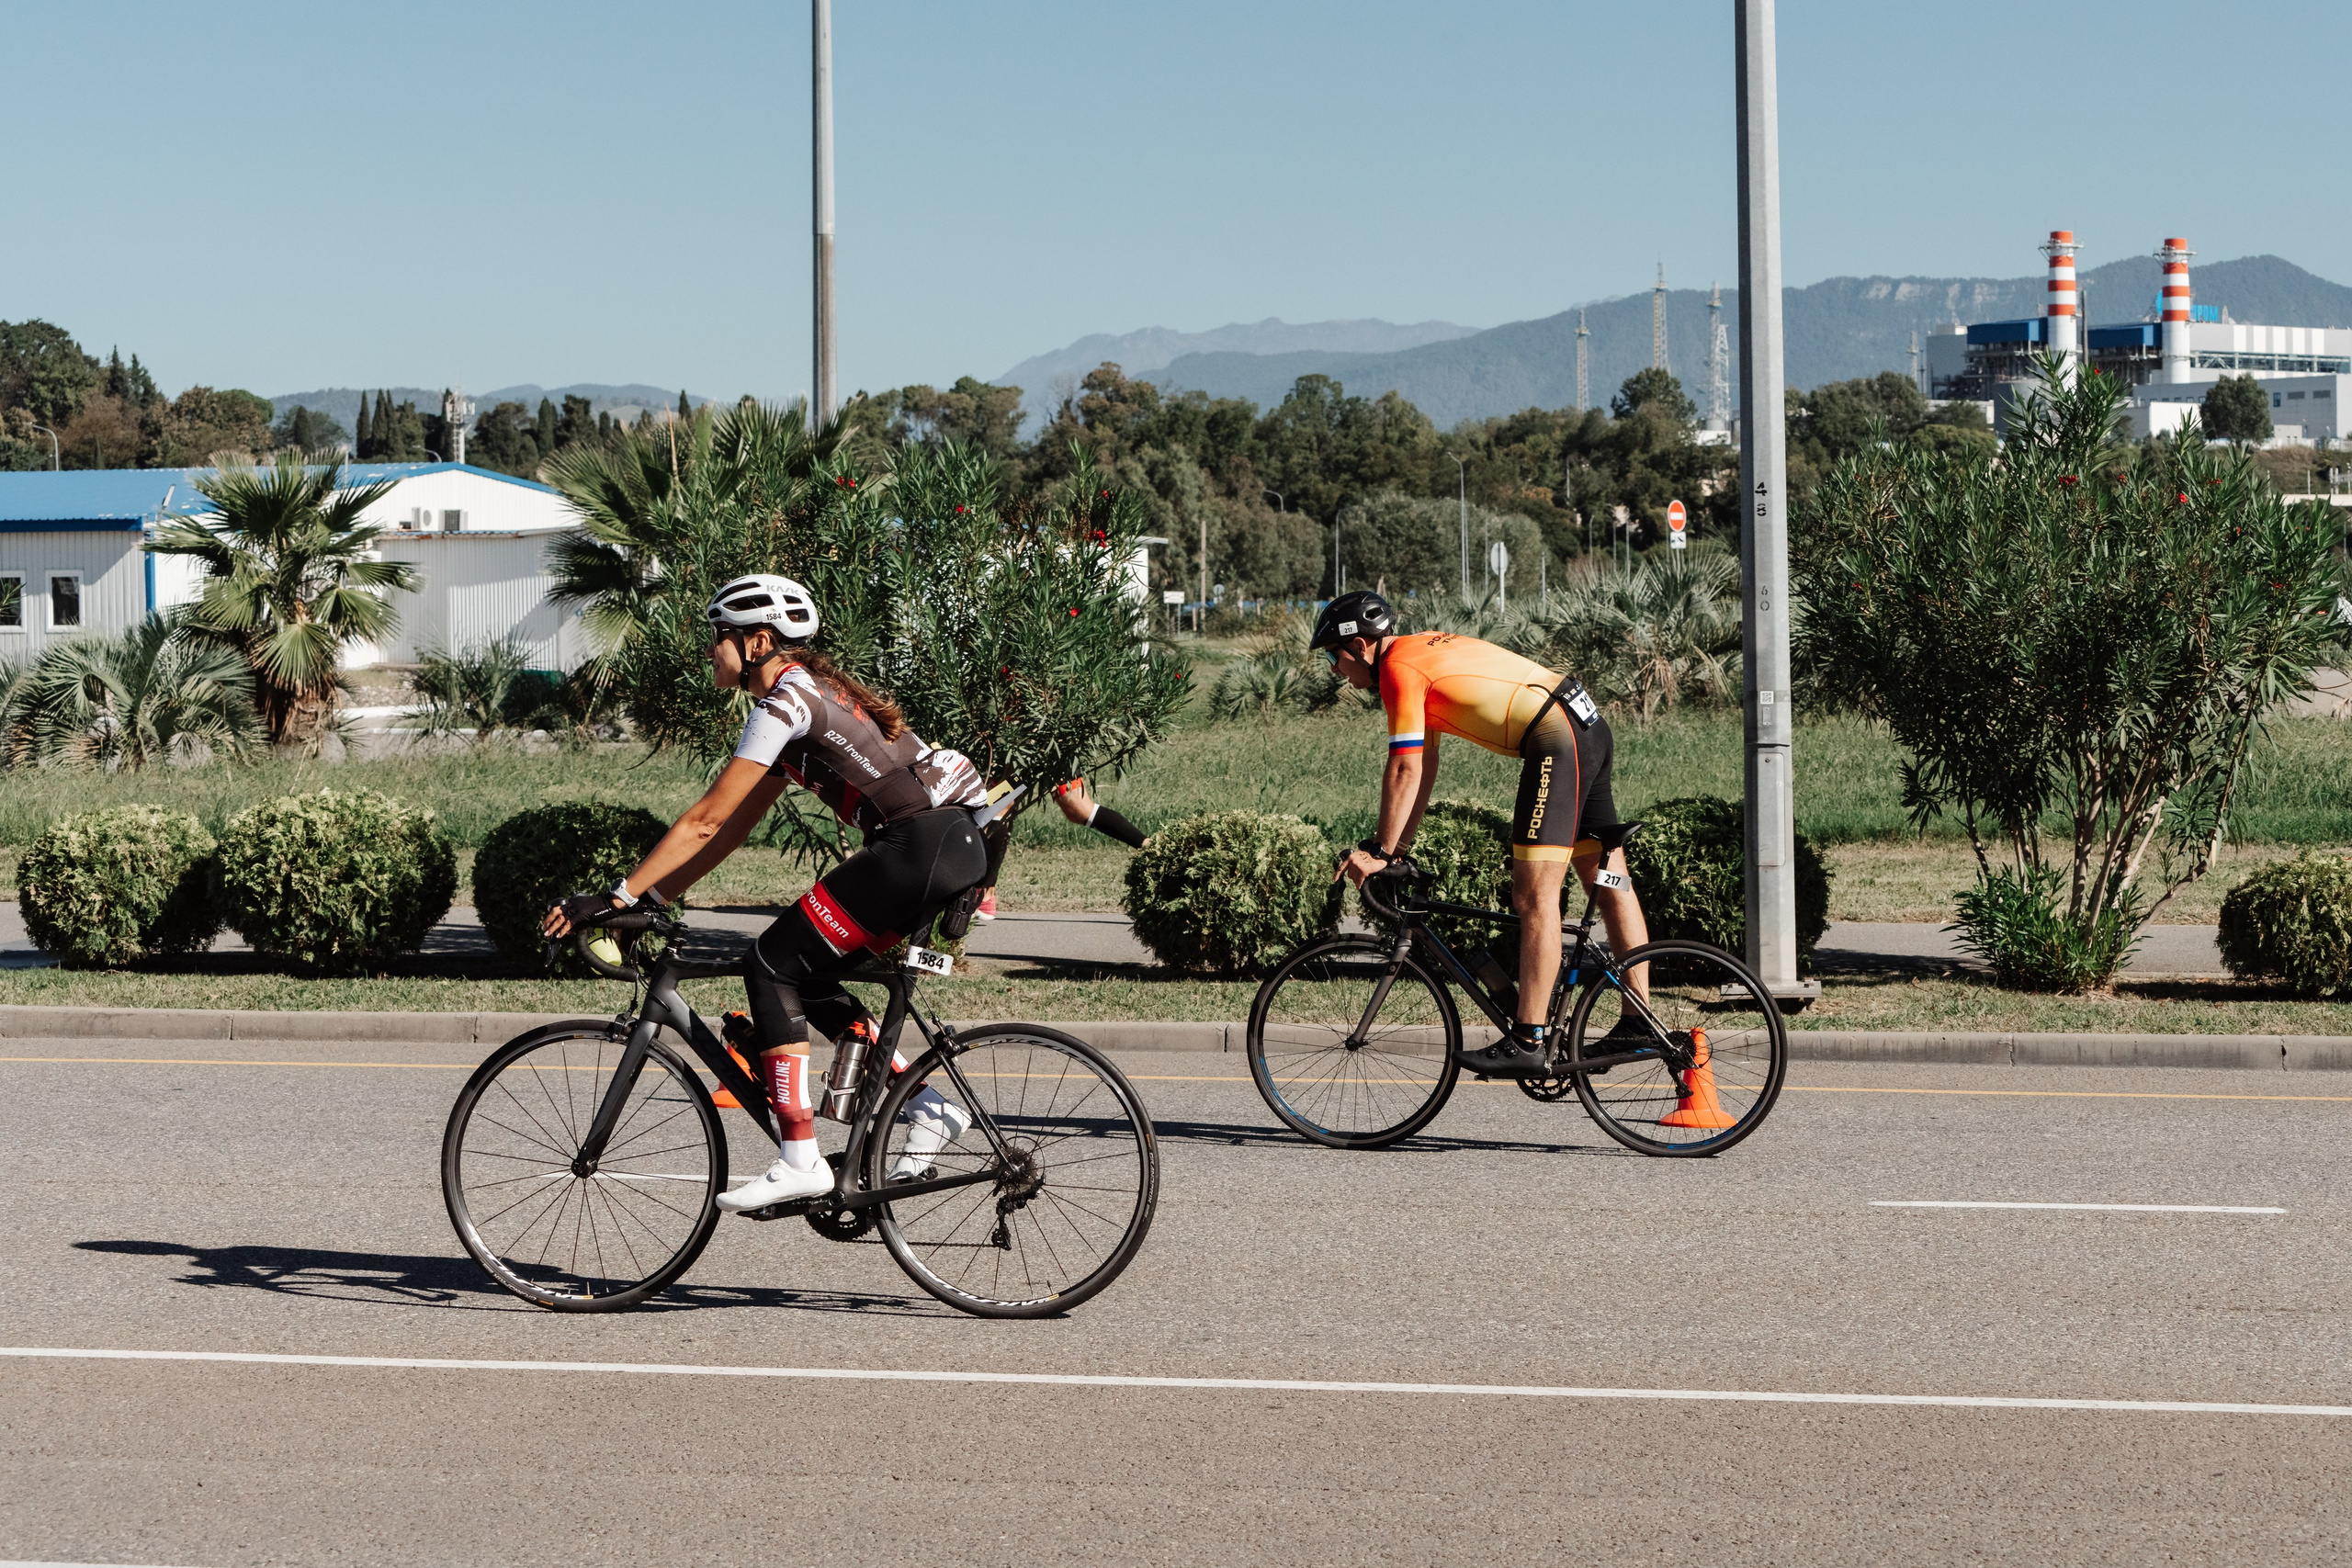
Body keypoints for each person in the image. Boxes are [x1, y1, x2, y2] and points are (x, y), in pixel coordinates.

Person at [542, 573, 991, 1212]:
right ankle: (925, 1105)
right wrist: (656, 897)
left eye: (717, 638)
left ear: (757, 642)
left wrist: (616, 896)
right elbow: (726, 835)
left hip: (915, 848)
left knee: (769, 963)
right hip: (939, 848)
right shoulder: (810, 696)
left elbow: (703, 818)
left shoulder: (784, 704)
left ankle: (801, 1156)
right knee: (802, 979)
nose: (709, 651)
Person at [1313, 590, 1650, 1077]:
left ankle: (1528, 1039)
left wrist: (1382, 852)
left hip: (1554, 735)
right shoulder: (1417, 651)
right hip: (1584, 720)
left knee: (1534, 896)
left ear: (1362, 646)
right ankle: (1639, 1023)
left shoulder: (1397, 672)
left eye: (1333, 656)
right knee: (1606, 879)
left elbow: (1404, 768)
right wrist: (1395, 849)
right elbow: (1423, 765)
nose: (1333, 670)